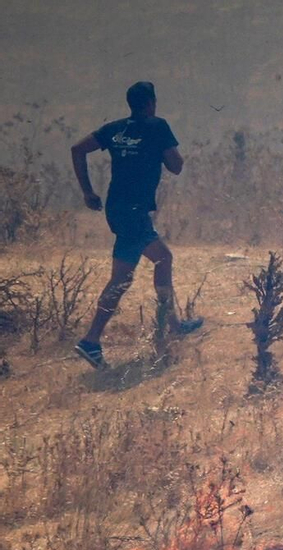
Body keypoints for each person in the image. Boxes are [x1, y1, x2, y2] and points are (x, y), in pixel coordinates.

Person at [71, 81, 201, 369]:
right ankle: (91, 340)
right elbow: (176, 165)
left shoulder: (115, 129)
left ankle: (173, 325)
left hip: (117, 208)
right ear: (151, 103)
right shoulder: (157, 126)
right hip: (133, 212)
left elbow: (77, 149)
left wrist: (88, 192)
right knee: (122, 278)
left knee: (161, 259)